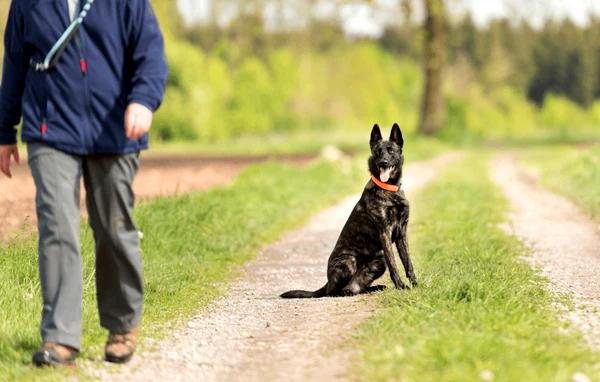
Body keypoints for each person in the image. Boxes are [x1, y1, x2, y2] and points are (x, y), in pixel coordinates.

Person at [0, 0, 168, 367]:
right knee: (57, 227)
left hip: (115, 131)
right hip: (50, 130)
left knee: (113, 228)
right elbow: (14, 62)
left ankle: (122, 324)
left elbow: (151, 55)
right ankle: (60, 337)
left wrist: (143, 100)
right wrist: (4, 129)